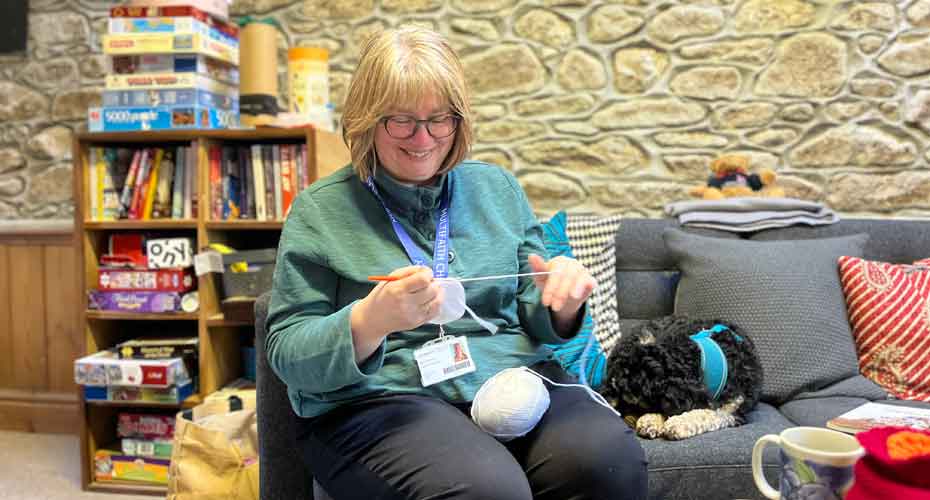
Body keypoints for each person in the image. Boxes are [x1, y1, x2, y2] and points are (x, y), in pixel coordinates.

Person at [265, 25, 648, 500]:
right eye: (400, 120)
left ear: (458, 120)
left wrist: (562, 307)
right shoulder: (319, 211)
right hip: (379, 403)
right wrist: (368, 322)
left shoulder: (498, 190)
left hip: (508, 386)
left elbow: (534, 305)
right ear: (366, 119)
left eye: (438, 119)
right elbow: (285, 352)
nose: (422, 138)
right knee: (488, 491)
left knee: (608, 462)